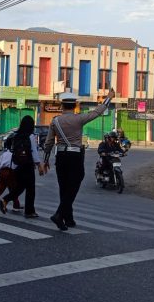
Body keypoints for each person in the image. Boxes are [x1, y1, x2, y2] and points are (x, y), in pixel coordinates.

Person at [43, 89, 115, 231]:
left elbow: (49, 142)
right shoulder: (79, 119)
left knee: (64, 187)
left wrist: (45, 160)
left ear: (62, 106)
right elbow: (97, 112)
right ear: (75, 105)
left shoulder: (55, 121)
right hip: (75, 156)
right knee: (74, 185)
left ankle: (68, 219)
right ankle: (59, 215)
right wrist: (108, 99)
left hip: (61, 157)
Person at [0, 115, 43, 217]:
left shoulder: (16, 135)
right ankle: (29, 211)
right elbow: (34, 151)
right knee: (30, 189)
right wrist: (39, 165)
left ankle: (5, 200)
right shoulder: (30, 136)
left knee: (20, 187)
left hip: (18, 164)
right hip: (28, 165)